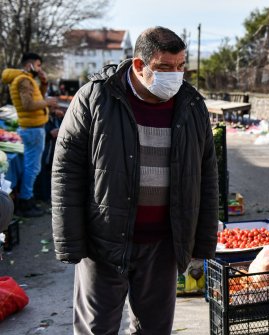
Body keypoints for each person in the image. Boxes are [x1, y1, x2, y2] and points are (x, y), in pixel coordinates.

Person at [51, 26, 219, 334]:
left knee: (154, 329)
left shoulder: (191, 105)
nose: (175, 75)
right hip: (104, 242)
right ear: (139, 66)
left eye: (181, 66)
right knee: (96, 328)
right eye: (165, 68)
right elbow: (66, 171)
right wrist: (70, 241)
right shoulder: (96, 98)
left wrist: (204, 242)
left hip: (165, 243)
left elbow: (206, 175)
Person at [1, 52, 59, 217]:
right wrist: (48, 102)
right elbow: (28, 104)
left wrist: (44, 82)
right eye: (38, 65)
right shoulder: (24, 80)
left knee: (30, 166)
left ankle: (27, 199)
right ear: (30, 64)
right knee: (32, 168)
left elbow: (37, 96)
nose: (40, 69)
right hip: (33, 130)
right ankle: (26, 202)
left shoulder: (24, 79)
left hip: (31, 128)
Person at [33, 108, 64, 203]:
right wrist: (50, 134)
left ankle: (46, 195)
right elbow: (37, 137)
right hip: (43, 153)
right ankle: (41, 196)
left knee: (47, 172)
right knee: (41, 172)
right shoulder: (40, 118)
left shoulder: (55, 118)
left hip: (50, 154)